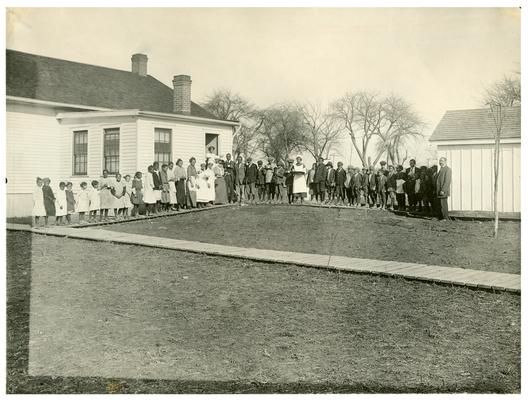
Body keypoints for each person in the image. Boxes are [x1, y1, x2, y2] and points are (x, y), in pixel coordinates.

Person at [435, 157, 452, 221]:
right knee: (439, 205)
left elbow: (447, 181)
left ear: (445, 162)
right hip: (438, 190)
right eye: (440, 161)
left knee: (443, 205)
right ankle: (440, 217)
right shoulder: (441, 169)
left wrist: (443, 190)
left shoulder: (448, 169)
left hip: (443, 191)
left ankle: (445, 218)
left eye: (442, 161)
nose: (440, 162)